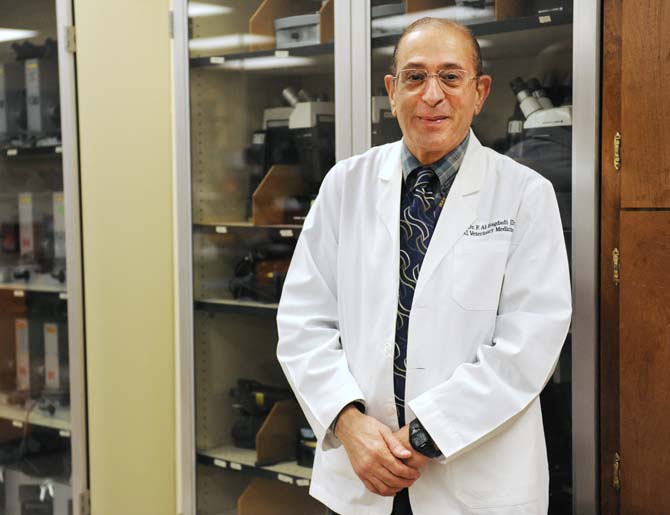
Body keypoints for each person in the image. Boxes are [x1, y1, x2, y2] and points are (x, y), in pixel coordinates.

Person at [276, 17, 571, 515]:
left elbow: (530, 342)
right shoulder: (345, 185)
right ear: (392, 92)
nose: (432, 94)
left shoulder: (524, 194)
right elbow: (303, 321)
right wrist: (349, 424)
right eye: (414, 77)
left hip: (473, 478)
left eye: (451, 77)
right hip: (361, 470)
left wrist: (420, 436)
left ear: (479, 92)